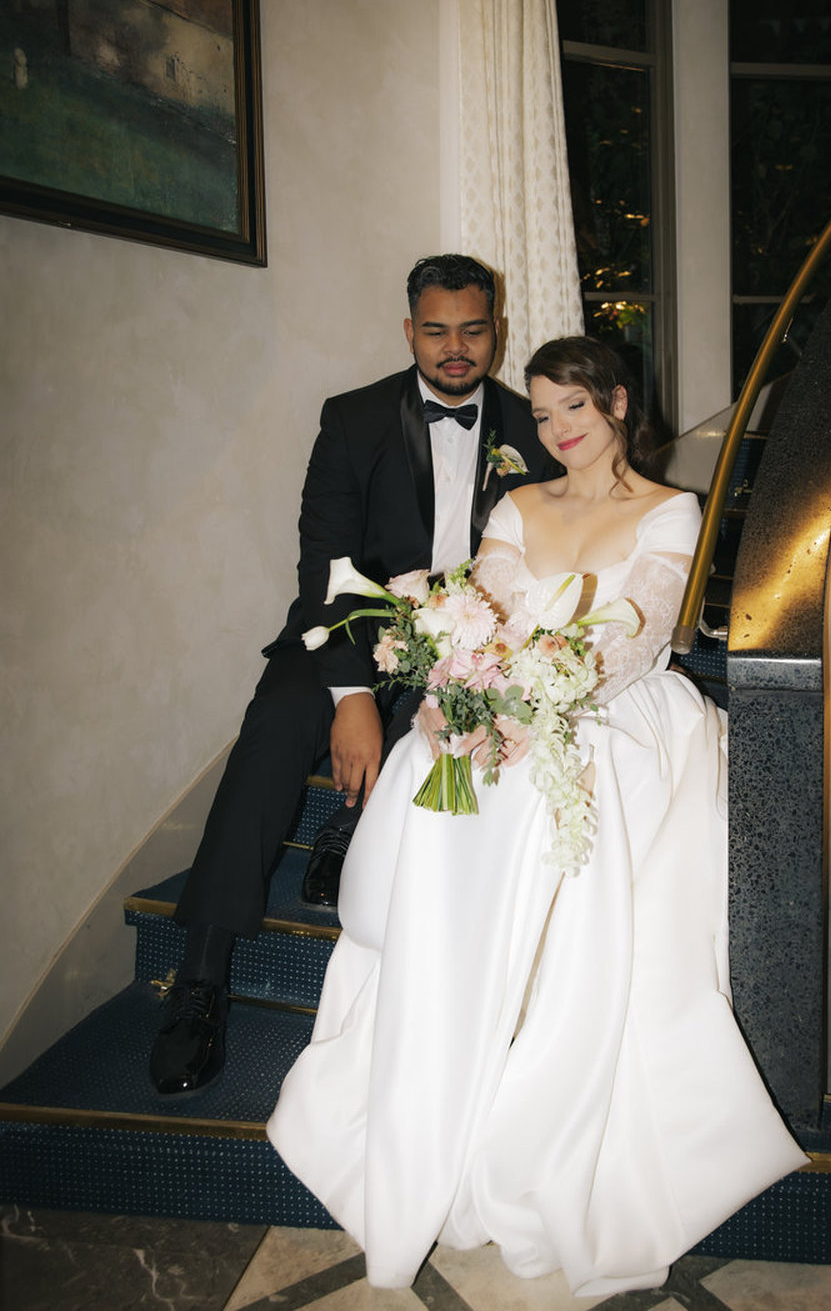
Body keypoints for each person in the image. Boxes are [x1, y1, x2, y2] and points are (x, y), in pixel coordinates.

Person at [266, 336, 808, 1297]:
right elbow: (477, 617)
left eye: (576, 409)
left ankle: (534, 1068)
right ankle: (443, 1035)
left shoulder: (671, 509)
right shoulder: (517, 506)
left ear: (618, 404)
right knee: (439, 766)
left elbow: (634, 640)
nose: (558, 431)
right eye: (545, 413)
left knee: (559, 788)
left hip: (608, 710)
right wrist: (457, 693)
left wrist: (536, 710)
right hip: (504, 701)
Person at [149, 254, 551, 1097]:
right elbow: (325, 566)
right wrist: (351, 694)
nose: (454, 348)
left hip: (476, 638)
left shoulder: (534, 427)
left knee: (441, 727)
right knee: (274, 726)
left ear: (497, 332)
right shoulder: (353, 418)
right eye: (435, 331)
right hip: (353, 626)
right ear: (408, 332)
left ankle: (349, 823)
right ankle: (200, 977)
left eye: (472, 330)